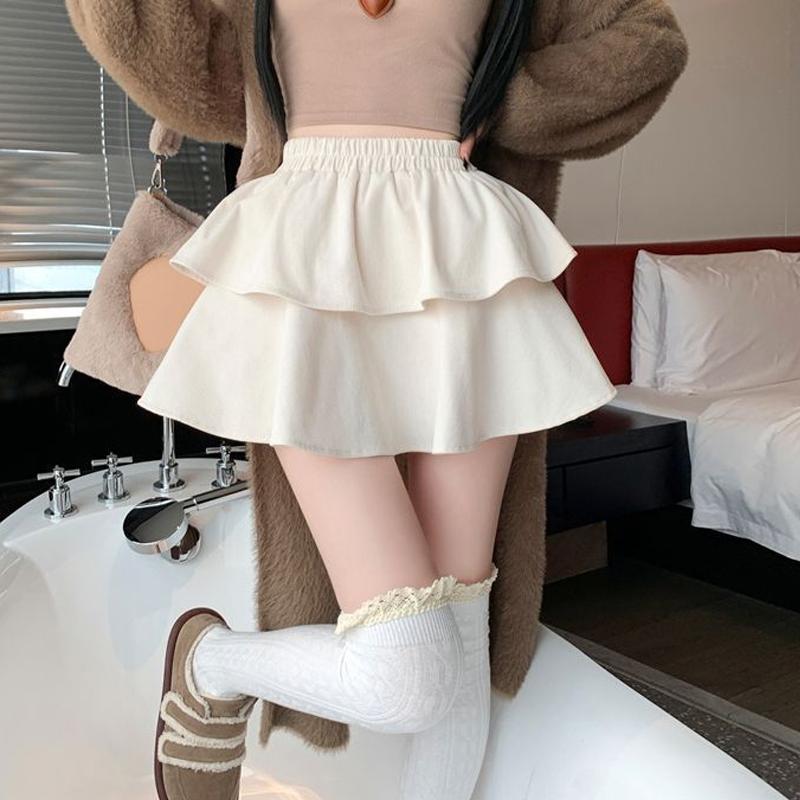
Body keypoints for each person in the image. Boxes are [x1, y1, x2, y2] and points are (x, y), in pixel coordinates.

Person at [64, 1, 689, 798]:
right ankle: (210, 666)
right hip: (304, 252)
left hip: (462, 250)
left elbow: (648, 43)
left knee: (458, 637)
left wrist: (506, 96)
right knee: (409, 674)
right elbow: (164, 47)